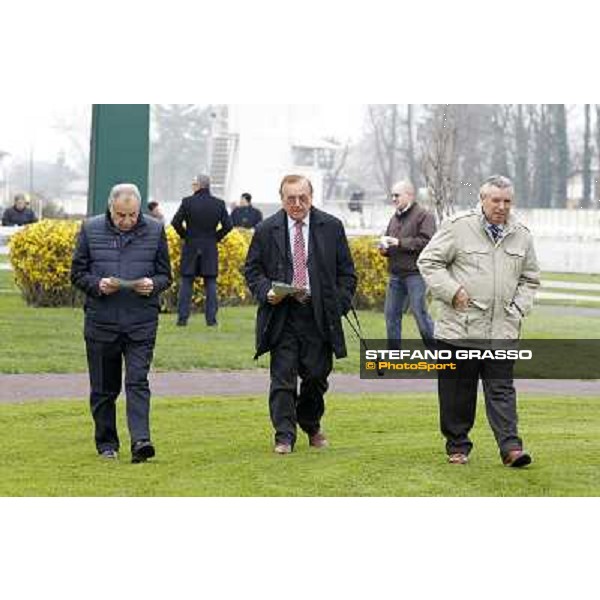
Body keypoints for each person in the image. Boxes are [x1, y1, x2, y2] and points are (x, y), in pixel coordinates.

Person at [417, 175, 540, 468]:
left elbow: (530, 278)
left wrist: (518, 308)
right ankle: (457, 446)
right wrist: (452, 291)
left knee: (501, 390)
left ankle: (511, 448)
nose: (501, 206)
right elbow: (428, 262)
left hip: (502, 330)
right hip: (459, 329)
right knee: (458, 392)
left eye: (507, 200)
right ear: (483, 199)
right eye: (495, 200)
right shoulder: (458, 227)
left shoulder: (522, 234)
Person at [245, 174, 357, 454]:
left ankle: (310, 421)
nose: (297, 204)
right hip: (282, 313)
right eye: (290, 199)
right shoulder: (265, 229)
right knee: (283, 377)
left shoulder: (331, 227)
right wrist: (265, 291)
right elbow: (253, 271)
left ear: (312, 197)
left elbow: (347, 274)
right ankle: (284, 434)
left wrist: (338, 304)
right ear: (281, 199)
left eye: (302, 198)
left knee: (317, 377)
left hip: (318, 314)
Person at [71, 183, 172, 463]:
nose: (127, 221)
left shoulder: (154, 229)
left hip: (141, 321)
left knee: (138, 381)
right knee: (104, 388)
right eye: (120, 215)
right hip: (101, 322)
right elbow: (77, 273)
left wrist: (153, 284)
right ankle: (106, 444)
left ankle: (141, 441)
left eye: (132, 215)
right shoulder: (90, 229)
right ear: (110, 209)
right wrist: (97, 284)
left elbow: (166, 274)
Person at [380, 181, 436, 349]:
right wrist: (384, 250)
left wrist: (399, 242)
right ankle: (394, 356)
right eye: (392, 195)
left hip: (415, 274)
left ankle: (437, 353)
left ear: (410, 195)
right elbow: (392, 243)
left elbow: (427, 242)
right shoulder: (394, 217)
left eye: (397, 195)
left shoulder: (425, 216)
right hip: (395, 275)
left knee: (420, 315)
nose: (393, 199)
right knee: (391, 316)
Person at [171, 174, 233, 327]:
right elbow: (228, 226)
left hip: (191, 245)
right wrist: (215, 237)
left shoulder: (187, 202)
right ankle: (211, 320)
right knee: (210, 283)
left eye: (193, 183)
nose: (192, 186)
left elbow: (175, 222)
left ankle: (182, 319)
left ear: (198, 185)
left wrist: (186, 236)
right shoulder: (219, 204)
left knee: (187, 282)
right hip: (209, 247)